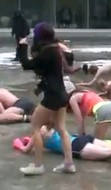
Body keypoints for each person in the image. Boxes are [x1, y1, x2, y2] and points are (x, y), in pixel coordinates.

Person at [18, 22, 82, 175]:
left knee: (35, 127)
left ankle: (38, 165)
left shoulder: (48, 51)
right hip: (61, 94)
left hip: (52, 96)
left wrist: (22, 47)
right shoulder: (55, 49)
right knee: (61, 129)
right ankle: (68, 163)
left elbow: (27, 65)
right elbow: (67, 64)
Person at [13, 125, 111, 166]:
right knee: (110, 146)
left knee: (110, 152)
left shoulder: (37, 134)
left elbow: (26, 150)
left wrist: (19, 144)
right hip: (81, 138)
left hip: (76, 147)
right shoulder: (51, 125)